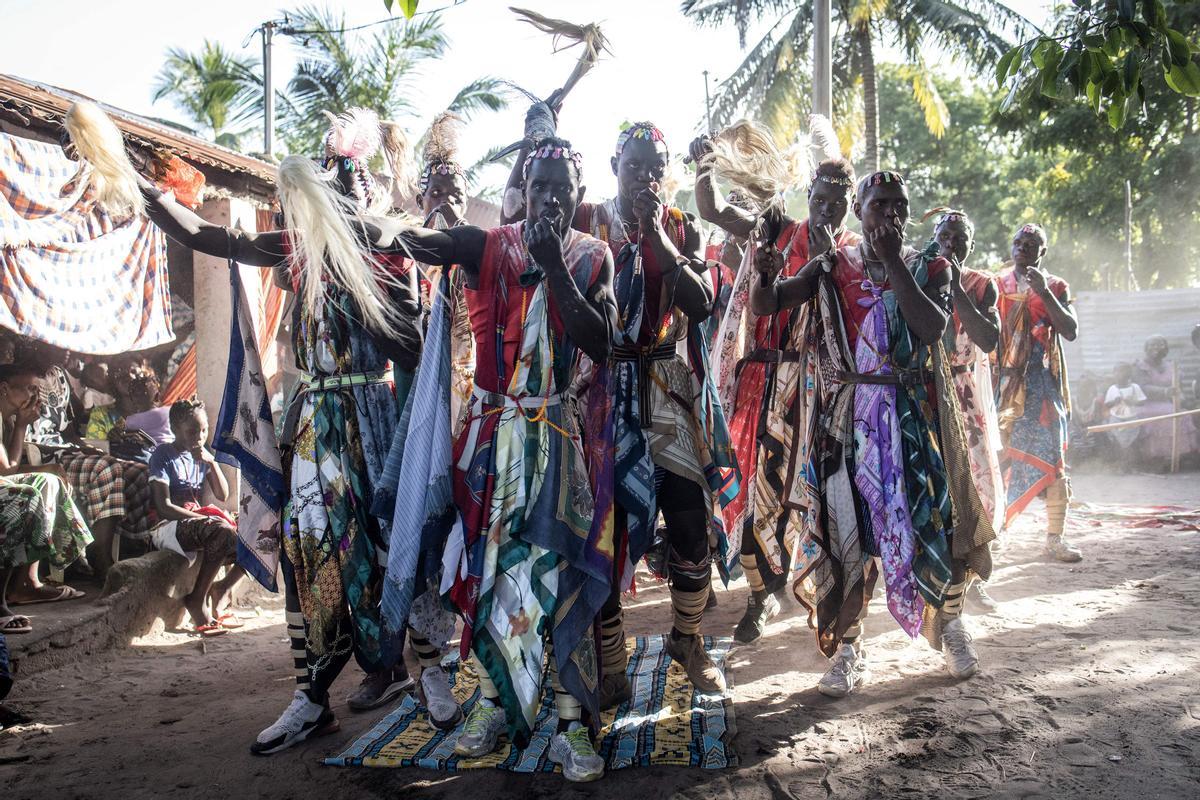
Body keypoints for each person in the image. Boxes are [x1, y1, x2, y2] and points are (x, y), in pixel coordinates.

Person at [136, 107, 432, 753]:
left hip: (373, 426)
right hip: (314, 431)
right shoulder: (297, 256)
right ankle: (311, 695)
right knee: (305, 557)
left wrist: (357, 283)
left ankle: (424, 669)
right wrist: (145, 195)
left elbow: (415, 347)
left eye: (351, 196)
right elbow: (216, 241)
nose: (339, 208)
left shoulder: (387, 258)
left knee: (397, 543)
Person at [398, 136, 618, 781]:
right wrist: (344, 220)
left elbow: (600, 342)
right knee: (496, 575)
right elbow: (415, 240)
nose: (551, 197)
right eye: (540, 184)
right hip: (494, 445)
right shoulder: (487, 246)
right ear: (522, 186)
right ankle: (493, 703)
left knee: (564, 577)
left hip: (555, 439)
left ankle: (573, 723)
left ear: (578, 197)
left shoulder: (590, 257)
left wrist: (553, 270)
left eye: (563, 188)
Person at [768, 170, 989, 695]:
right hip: (848, 417)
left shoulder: (927, 266)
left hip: (913, 415)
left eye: (899, 207)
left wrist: (892, 262)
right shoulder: (832, 266)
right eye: (879, 205)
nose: (890, 215)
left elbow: (932, 328)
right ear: (859, 210)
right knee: (852, 534)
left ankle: (950, 626)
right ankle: (848, 647)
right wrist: (761, 271)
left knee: (932, 520)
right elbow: (768, 303)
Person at [689, 127, 861, 643]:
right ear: (808, 195)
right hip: (760, 380)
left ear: (851, 205)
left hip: (820, 391)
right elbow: (714, 210)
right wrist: (703, 165)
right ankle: (761, 597)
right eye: (821, 198)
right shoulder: (778, 231)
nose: (828, 209)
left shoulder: (852, 253)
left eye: (838, 202)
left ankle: (816, 593)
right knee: (753, 489)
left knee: (806, 494)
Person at [18, 340, 155, 579]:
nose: (68, 348)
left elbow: (68, 429)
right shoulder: (21, 380)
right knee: (106, 468)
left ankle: (133, 548)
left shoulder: (58, 374)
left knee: (140, 472)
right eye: (59, 343)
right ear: (41, 343)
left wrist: (85, 446)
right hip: (42, 454)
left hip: (66, 449)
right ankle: (98, 553)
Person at [929, 208, 1006, 614]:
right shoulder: (919, 272)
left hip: (962, 389)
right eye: (945, 237)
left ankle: (971, 577)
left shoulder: (981, 285)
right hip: (926, 388)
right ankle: (935, 574)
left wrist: (955, 285)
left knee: (975, 481)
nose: (952, 245)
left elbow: (988, 339)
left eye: (960, 239)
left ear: (971, 245)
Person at [994, 223, 1081, 563]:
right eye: (1018, 241)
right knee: (999, 458)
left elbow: (1070, 331)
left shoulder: (1055, 286)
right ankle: (995, 530)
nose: (1023, 247)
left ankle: (1055, 539)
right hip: (1005, 385)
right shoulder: (997, 285)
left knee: (1055, 462)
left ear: (1042, 252)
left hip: (1042, 387)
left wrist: (1043, 293)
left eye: (1031, 243)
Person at [0, 361, 93, 636]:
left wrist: (20, 427)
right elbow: (6, 471)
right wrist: (22, 428)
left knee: (49, 482)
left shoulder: (7, 419)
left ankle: (27, 583)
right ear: (5, 389)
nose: (35, 397)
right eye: (29, 389)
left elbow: (9, 467)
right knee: (26, 495)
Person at [147, 399, 245, 633]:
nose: (199, 437)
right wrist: (204, 520)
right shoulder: (162, 455)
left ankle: (221, 590)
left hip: (195, 524)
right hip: (168, 525)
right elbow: (164, 507)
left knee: (260, 534)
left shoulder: (201, 455)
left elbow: (223, 494)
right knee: (221, 532)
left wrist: (212, 462)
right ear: (174, 429)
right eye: (192, 431)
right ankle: (197, 600)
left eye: (203, 430)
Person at [1132, 335, 1197, 468]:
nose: (1156, 348)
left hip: (1170, 403)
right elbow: (1142, 387)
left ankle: (1179, 456)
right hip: (1147, 404)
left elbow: (1179, 387)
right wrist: (1165, 391)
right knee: (1165, 414)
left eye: (1160, 345)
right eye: (1152, 345)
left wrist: (1182, 397)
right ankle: (1156, 458)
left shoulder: (1171, 366)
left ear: (1166, 349)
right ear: (1146, 348)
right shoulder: (1140, 366)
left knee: (1183, 414)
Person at [1103, 362, 1147, 453]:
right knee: (1116, 441)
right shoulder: (1112, 389)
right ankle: (1119, 461)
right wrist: (1115, 402)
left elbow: (1143, 401)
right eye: (1116, 372)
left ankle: (1133, 461)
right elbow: (1107, 405)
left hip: (1132, 420)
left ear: (1129, 374)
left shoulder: (1135, 387)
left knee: (1134, 442)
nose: (1119, 374)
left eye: (1122, 371)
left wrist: (1133, 402)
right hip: (1116, 420)